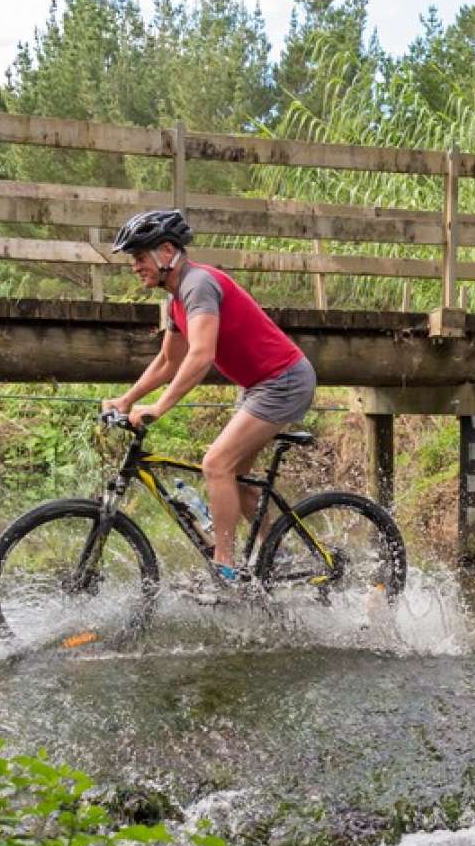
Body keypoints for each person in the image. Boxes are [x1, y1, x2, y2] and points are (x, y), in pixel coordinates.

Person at [100, 209, 316, 584]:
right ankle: (279, 558)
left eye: (139, 256)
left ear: (167, 252)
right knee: (240, 481)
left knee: (216, 464)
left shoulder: (198, 284)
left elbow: (201, 354)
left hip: (283, 381)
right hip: (260, 386)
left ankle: (225, 567)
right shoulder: (177, 299)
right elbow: (169, 360)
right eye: (132, 259)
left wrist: (159, 407)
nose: (135, 266)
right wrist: (127, 399)